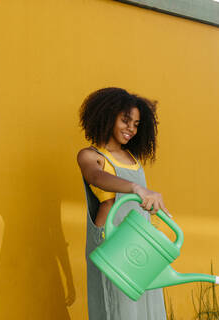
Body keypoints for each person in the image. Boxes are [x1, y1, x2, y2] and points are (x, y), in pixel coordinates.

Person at [77, 87, 171, 320]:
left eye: (136, 124)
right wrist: (136, 188)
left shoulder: (132, 158)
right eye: (125, 120)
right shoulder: (90, 155)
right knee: (117, 307)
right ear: (107, 116)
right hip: (111, 237)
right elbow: (97, 178)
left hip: (140, 237)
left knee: (145, 303)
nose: (131, 128)